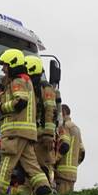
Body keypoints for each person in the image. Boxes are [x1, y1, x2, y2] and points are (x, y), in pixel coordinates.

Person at [0, 49, 52, 195]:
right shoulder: (25, 81)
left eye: (5, 65)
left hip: (15, 131)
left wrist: (0, 107)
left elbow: (20, 102)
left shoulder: (17, 81)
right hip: (26, 132)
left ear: (13, 65)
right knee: (31, 164)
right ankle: (44, 190)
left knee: (5, 165)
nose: (3, 69)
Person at [24, 55, 58, 185]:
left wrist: (48, 135)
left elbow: (51, 111)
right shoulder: (31, 87)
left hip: (42, 137)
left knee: (42, 168)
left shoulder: (45, 88)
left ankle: (45, 193)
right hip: (32, 136)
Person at [54, 104, 84, 193]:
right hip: (73, 174)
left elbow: (64, 146)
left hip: (61, 174)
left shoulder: (64, 126)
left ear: (62, 113)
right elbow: (82, 151)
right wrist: (74, 164)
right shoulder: (76, 129)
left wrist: (54, 160)